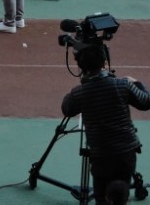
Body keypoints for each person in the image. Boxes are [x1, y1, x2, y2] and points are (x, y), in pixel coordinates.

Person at [62, 44, 150, 204]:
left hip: (101, 157)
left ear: (81, 66)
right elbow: (146, 102)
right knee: (120, 194)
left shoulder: (80, 92)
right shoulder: (122, 84)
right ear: (104, 62)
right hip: (126, 153)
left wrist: (81, 86)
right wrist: (136, 82)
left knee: (101, 197)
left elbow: (67, 109)